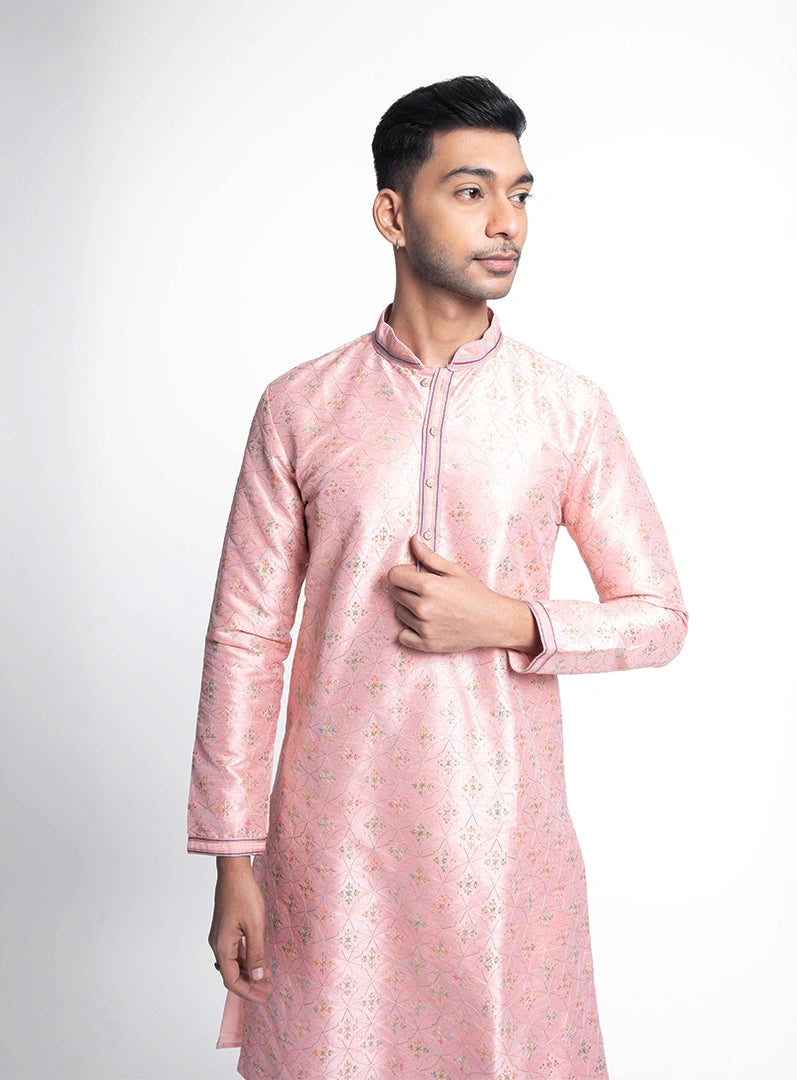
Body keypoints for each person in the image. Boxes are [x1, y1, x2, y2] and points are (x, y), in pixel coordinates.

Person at [188, 75, 687, 1080]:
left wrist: (509, 619)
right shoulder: (301, 407)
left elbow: (659, 616)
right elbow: (247, 638)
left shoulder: (565, 409)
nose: (508, 222)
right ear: (391, 214)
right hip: (335, 847)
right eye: (471, 192)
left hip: (505, 847)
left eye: (521, 193)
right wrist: (235, 857)